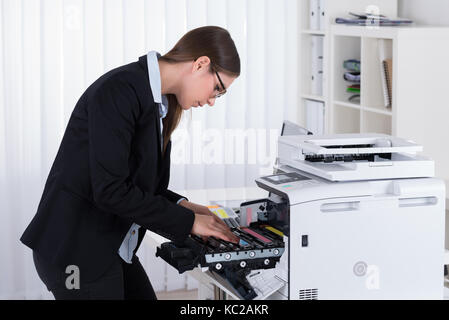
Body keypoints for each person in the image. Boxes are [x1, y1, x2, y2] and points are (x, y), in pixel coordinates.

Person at [20, 26, 241, 300]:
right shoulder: (119, 91)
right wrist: (188, 222)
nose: (211, 101)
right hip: (73, 254)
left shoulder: (159, 104)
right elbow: (111, 191)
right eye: (217, 89)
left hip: (108, 247)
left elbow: (142, 188)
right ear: (201, 64)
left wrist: (185, 207)